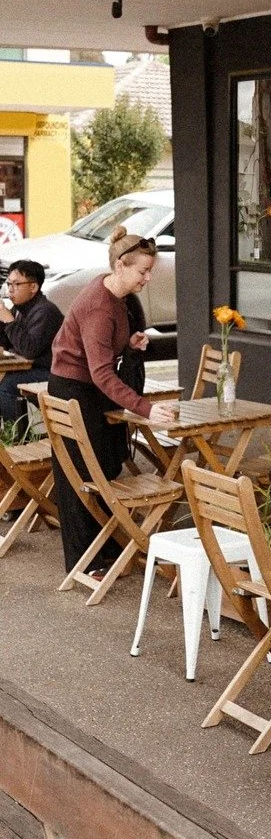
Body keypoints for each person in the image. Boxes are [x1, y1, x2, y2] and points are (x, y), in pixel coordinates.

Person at [47, 227, 176, 578]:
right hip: (75, 389)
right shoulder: (99, 307)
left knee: (104, 467)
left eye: (150, 270)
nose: (148, 278)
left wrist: (128, 343)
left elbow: (102, 350)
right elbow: (102, 374)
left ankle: (106, 548)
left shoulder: (112, 292)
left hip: (84, 387)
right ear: (121, 265)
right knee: (80, 476)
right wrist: (146, 408)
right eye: (142, 271)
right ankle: (85, 563)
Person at [0, 259, 64, 434]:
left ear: (33, 287)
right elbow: (5, 342)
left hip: (53, 372)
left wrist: (9, 320)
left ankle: (18, 438)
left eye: (16, 284)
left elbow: (29, 350)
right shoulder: (19, 309)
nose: (10, 289)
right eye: (8, 284)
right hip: (34, 368)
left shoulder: (46, 311)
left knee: (5, 387)